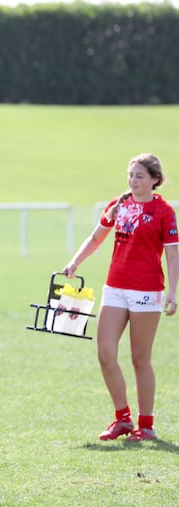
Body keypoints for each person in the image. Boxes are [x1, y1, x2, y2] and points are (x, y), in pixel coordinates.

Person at [62, 153, 179, 442]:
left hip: (147, 291)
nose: (133, 181)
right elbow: (96, 237)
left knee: (140, 358)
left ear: (154, 180)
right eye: (131, 175)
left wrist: (173, 293)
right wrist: (75, 262)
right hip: (114, 288)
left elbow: (173, 254)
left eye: (140, 176)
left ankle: (146, 426)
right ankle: (122, 419)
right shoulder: (119, 204)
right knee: (105, 354)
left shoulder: (164, 212)